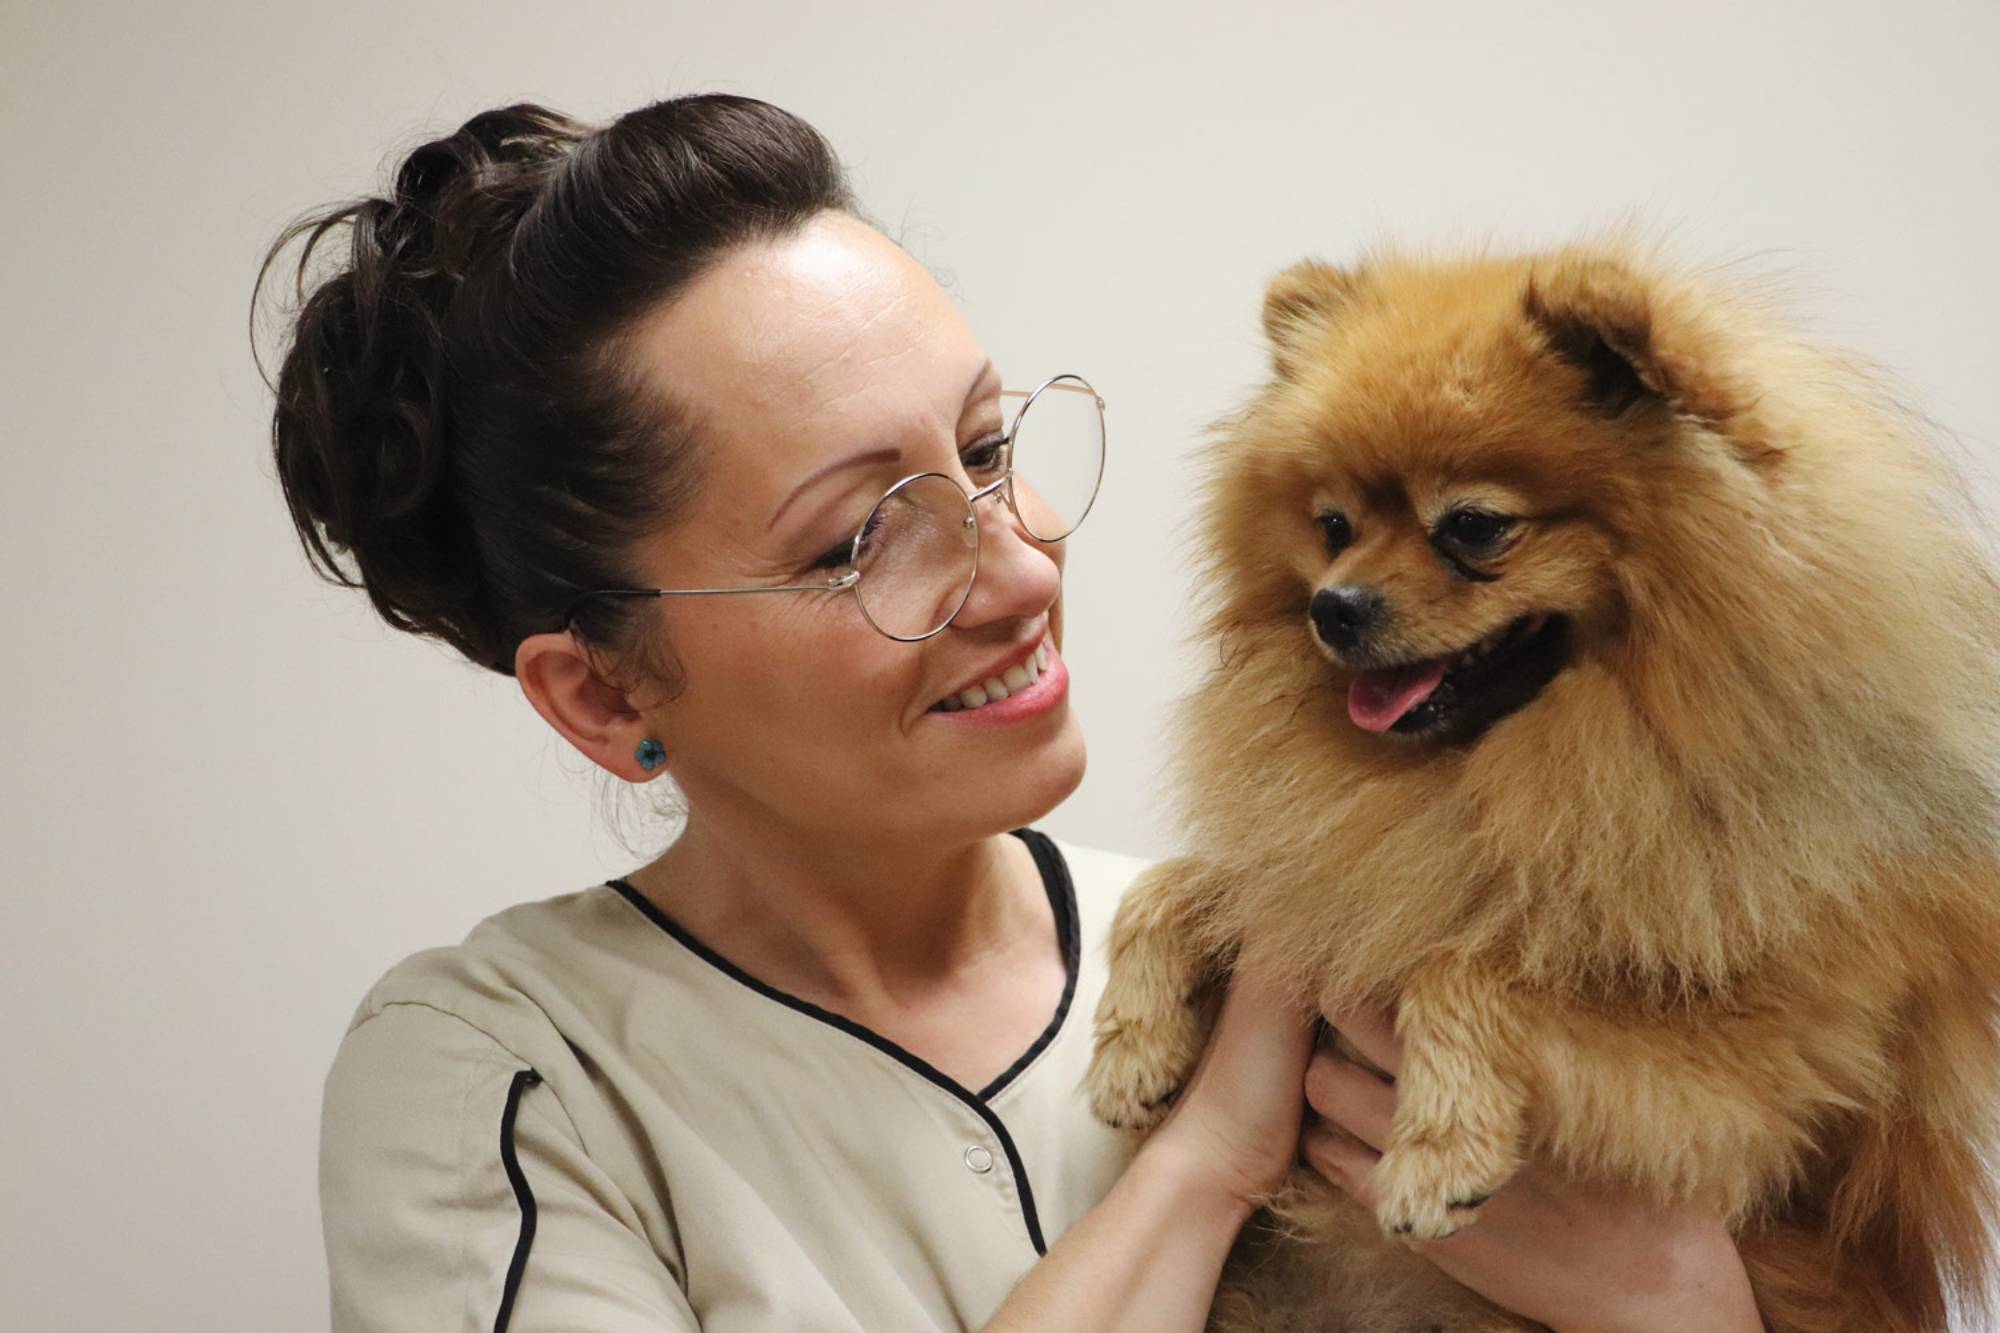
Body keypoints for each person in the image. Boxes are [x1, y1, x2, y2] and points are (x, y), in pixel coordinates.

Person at [261, 93, 1765, 1332]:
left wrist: (1693, 1304)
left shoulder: (1259, 942)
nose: (1019, 562)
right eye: (857, 538)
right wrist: (1206, 1161)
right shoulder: (511, 1079)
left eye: (986, 448)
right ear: (602, 692)